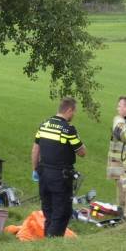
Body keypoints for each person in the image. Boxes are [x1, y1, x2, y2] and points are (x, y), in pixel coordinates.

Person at [31, 97, 86, 237]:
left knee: (48, 210)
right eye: (74, 112)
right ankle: (52, 241)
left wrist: (35, 169)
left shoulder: (44, 125)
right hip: (60, 176)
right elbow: (82, 152)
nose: (74, 115)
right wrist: (77, 136)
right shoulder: (68, 129)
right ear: (69, 110)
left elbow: (35, 149)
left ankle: (48, 239)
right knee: (62, 211)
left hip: (43, 173)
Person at [108, 96, 126, 206]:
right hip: (120, 166)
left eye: (119, 106)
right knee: (121, 195)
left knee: (125, 198)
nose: (117, 109)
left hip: (125, 167)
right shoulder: (123, 121)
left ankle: (124, 217)